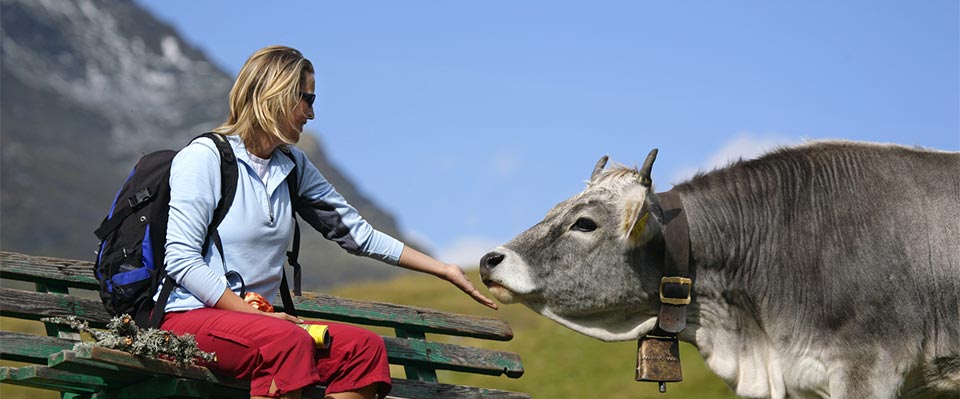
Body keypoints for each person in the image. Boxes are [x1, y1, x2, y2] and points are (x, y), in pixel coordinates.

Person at [159, 45, 497, 399]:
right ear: (276, 94)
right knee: (285, 342)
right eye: (307, 99)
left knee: (362, 351)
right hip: (190, 318)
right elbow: (181, 260)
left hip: (261, 325)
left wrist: (444, 269)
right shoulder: (204, 158)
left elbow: (358, 234)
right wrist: (255, 316)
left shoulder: (293, 166)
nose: (312, 113)